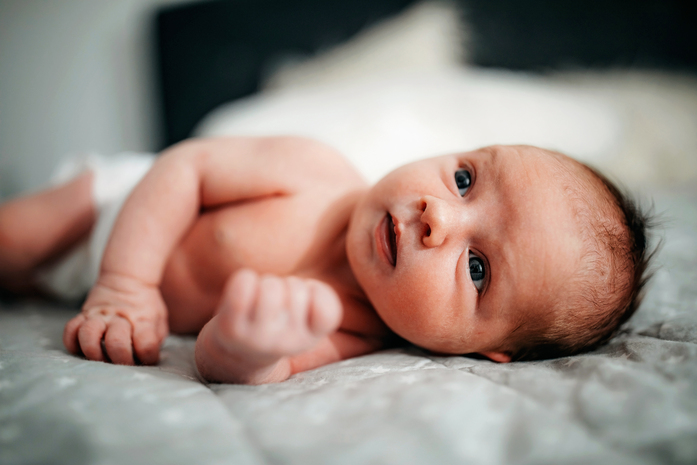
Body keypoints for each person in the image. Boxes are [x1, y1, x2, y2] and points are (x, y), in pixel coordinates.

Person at [0, 137, 651, 384]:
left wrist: (243, 347)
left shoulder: (355, 326)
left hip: (117, 296)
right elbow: (185, 168)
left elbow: (240, 364)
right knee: (14, 243)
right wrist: (124, 282)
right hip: (115, 208)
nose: (436, 218)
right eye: (462, 179)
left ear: (482, 348)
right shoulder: (315, 172)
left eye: (477, 267)